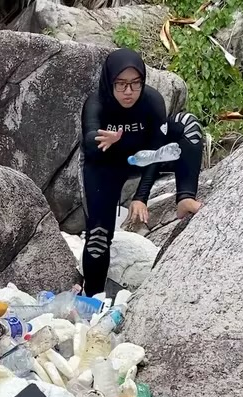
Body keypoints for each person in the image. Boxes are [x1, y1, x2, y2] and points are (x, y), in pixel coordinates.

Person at [79, 48, 205, 297]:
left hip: (144, 157)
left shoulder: (151, 100)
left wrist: (141, 197)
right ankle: (93, 301)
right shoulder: (96, 103)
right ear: (110, 82)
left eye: (135, 83)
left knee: (187, 125)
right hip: (105, 165)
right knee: (98, 237)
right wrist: (104, 140)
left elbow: (157, 150)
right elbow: (90, 141)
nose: (128, 91)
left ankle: (185, 198)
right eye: (121, 84)